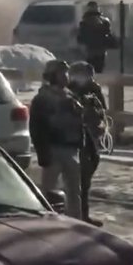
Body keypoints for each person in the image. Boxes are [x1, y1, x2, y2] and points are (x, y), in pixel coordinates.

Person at [29, 60, 85, 219]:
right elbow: (36, 128)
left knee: (74, 191)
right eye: (62, 73)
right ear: (53, 76)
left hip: (71, 148)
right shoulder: (43, 98)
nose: (66, 77)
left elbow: (78, 123)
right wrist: (42, 153)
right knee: (49, 192)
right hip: (53, 149)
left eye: (66, 73)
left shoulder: (70, 95)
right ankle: (47, 221)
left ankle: (76, 221)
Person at [68, 60, 108, 226]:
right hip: (77, 138)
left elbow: (102, 111)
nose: (88, 78)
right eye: (84, 75)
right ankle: (76, 214)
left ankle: (82, 214)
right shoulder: (70, 91)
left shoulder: (94, 89)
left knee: (87, 175)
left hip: (92, 136)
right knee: (79, 179)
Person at [77, 1, 117, 73]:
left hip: (91, 50)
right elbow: (108, 33)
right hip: (99, 50)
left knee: (91, 69)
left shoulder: (84, 22)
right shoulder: (105, 21)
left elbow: (81, 37)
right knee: (98, 68)